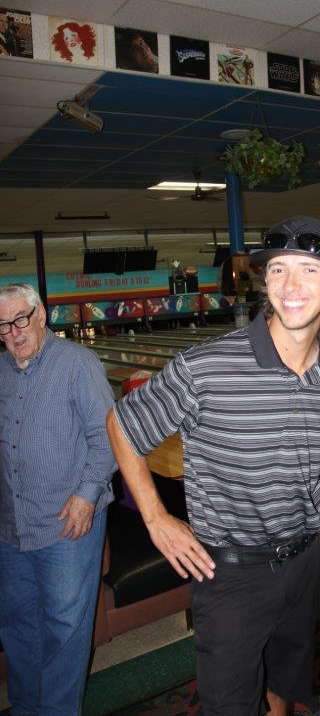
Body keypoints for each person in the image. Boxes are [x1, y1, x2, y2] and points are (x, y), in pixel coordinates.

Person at [107, 216, 320, 716]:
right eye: (279, 269)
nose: (291, 285)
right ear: (265, 280)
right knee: (230, 704)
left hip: (306, 553)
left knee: (287, 677)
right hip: (230, 571)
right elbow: (121, 423)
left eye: (309, 269)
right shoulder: (206, 368)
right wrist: (156, 519)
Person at [0, 283, 116, 715]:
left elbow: (107, 437)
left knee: (65, 628)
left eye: (19, 319)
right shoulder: (1, 372)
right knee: (18, 625)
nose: (13, 332)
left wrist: (87, 496)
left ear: (41, 316)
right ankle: (26, 707)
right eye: (2, 326)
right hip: (11, 526)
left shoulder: (78, 363)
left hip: (67, 522)